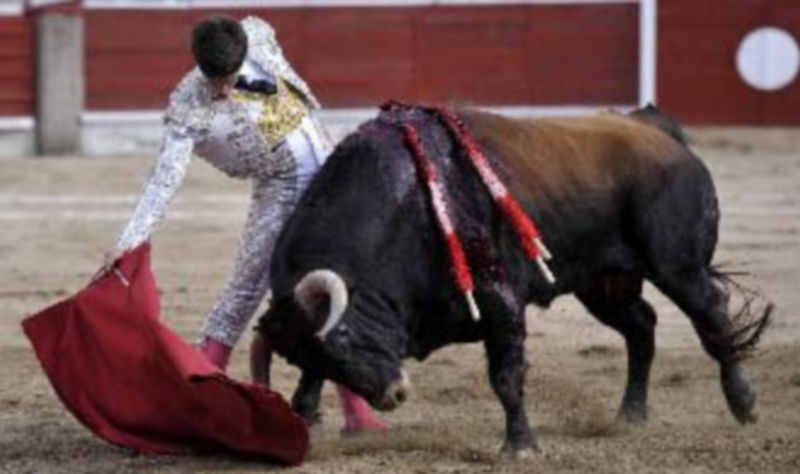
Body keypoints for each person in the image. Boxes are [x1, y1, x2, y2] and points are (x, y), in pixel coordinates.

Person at [101, 15, 386, 432]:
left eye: (230, 76)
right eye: (215, 80)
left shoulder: (256, 35)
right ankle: (193, 404)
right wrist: (129, 241)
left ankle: (358, 414)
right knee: (243, 293)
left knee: (343, 291)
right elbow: (163, 181)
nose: (222, 88)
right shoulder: (187, 107)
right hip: (281, 191)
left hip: (331, 177)